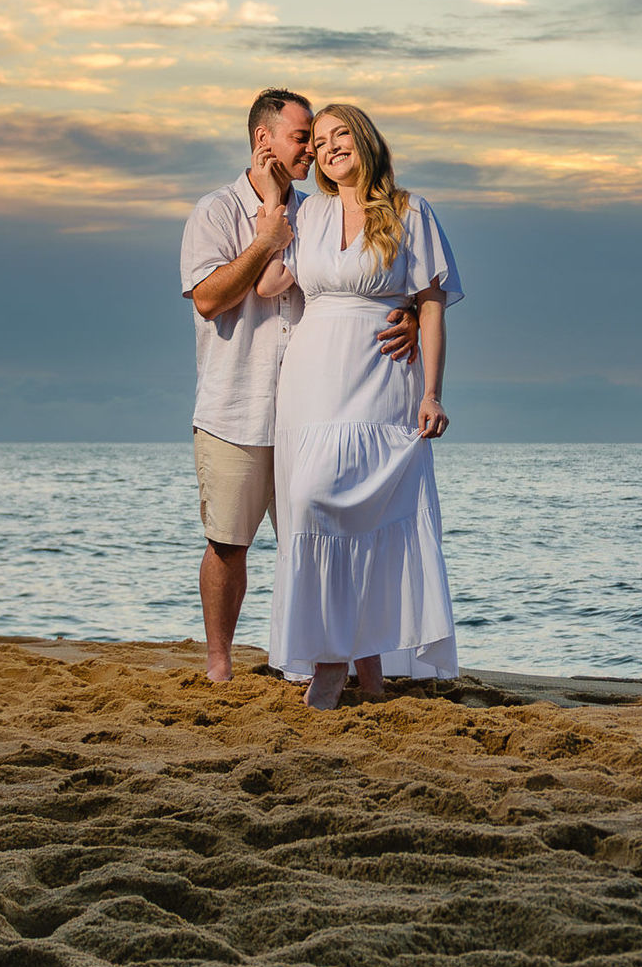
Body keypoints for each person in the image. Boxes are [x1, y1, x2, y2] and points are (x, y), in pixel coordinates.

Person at [180, 89, 419, 684]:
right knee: (228, 542)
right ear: (263, 140)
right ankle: (219, 664)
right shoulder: (216, 212)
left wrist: (410, 313)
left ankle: (321, 660)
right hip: (236, 404)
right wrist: (266, 236)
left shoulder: (318, 212)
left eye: (315, 139)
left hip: (314, 409)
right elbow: (208, 299)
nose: (312, 150)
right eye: (301, 138)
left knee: (318, 538)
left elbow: (363, 277)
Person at [255, 101, 462, 710]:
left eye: (340, 134)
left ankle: (340, 666)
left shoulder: (410, 211)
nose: (329, 148)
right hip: (311, 380)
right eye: (318, 142)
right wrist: (273, 206)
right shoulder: (308, 212)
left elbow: (431, 306)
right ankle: (352, 663)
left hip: (382, 378)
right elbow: (269, 285)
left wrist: (431, 392)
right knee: (310, 501)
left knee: (369, 515)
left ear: (365, 139)